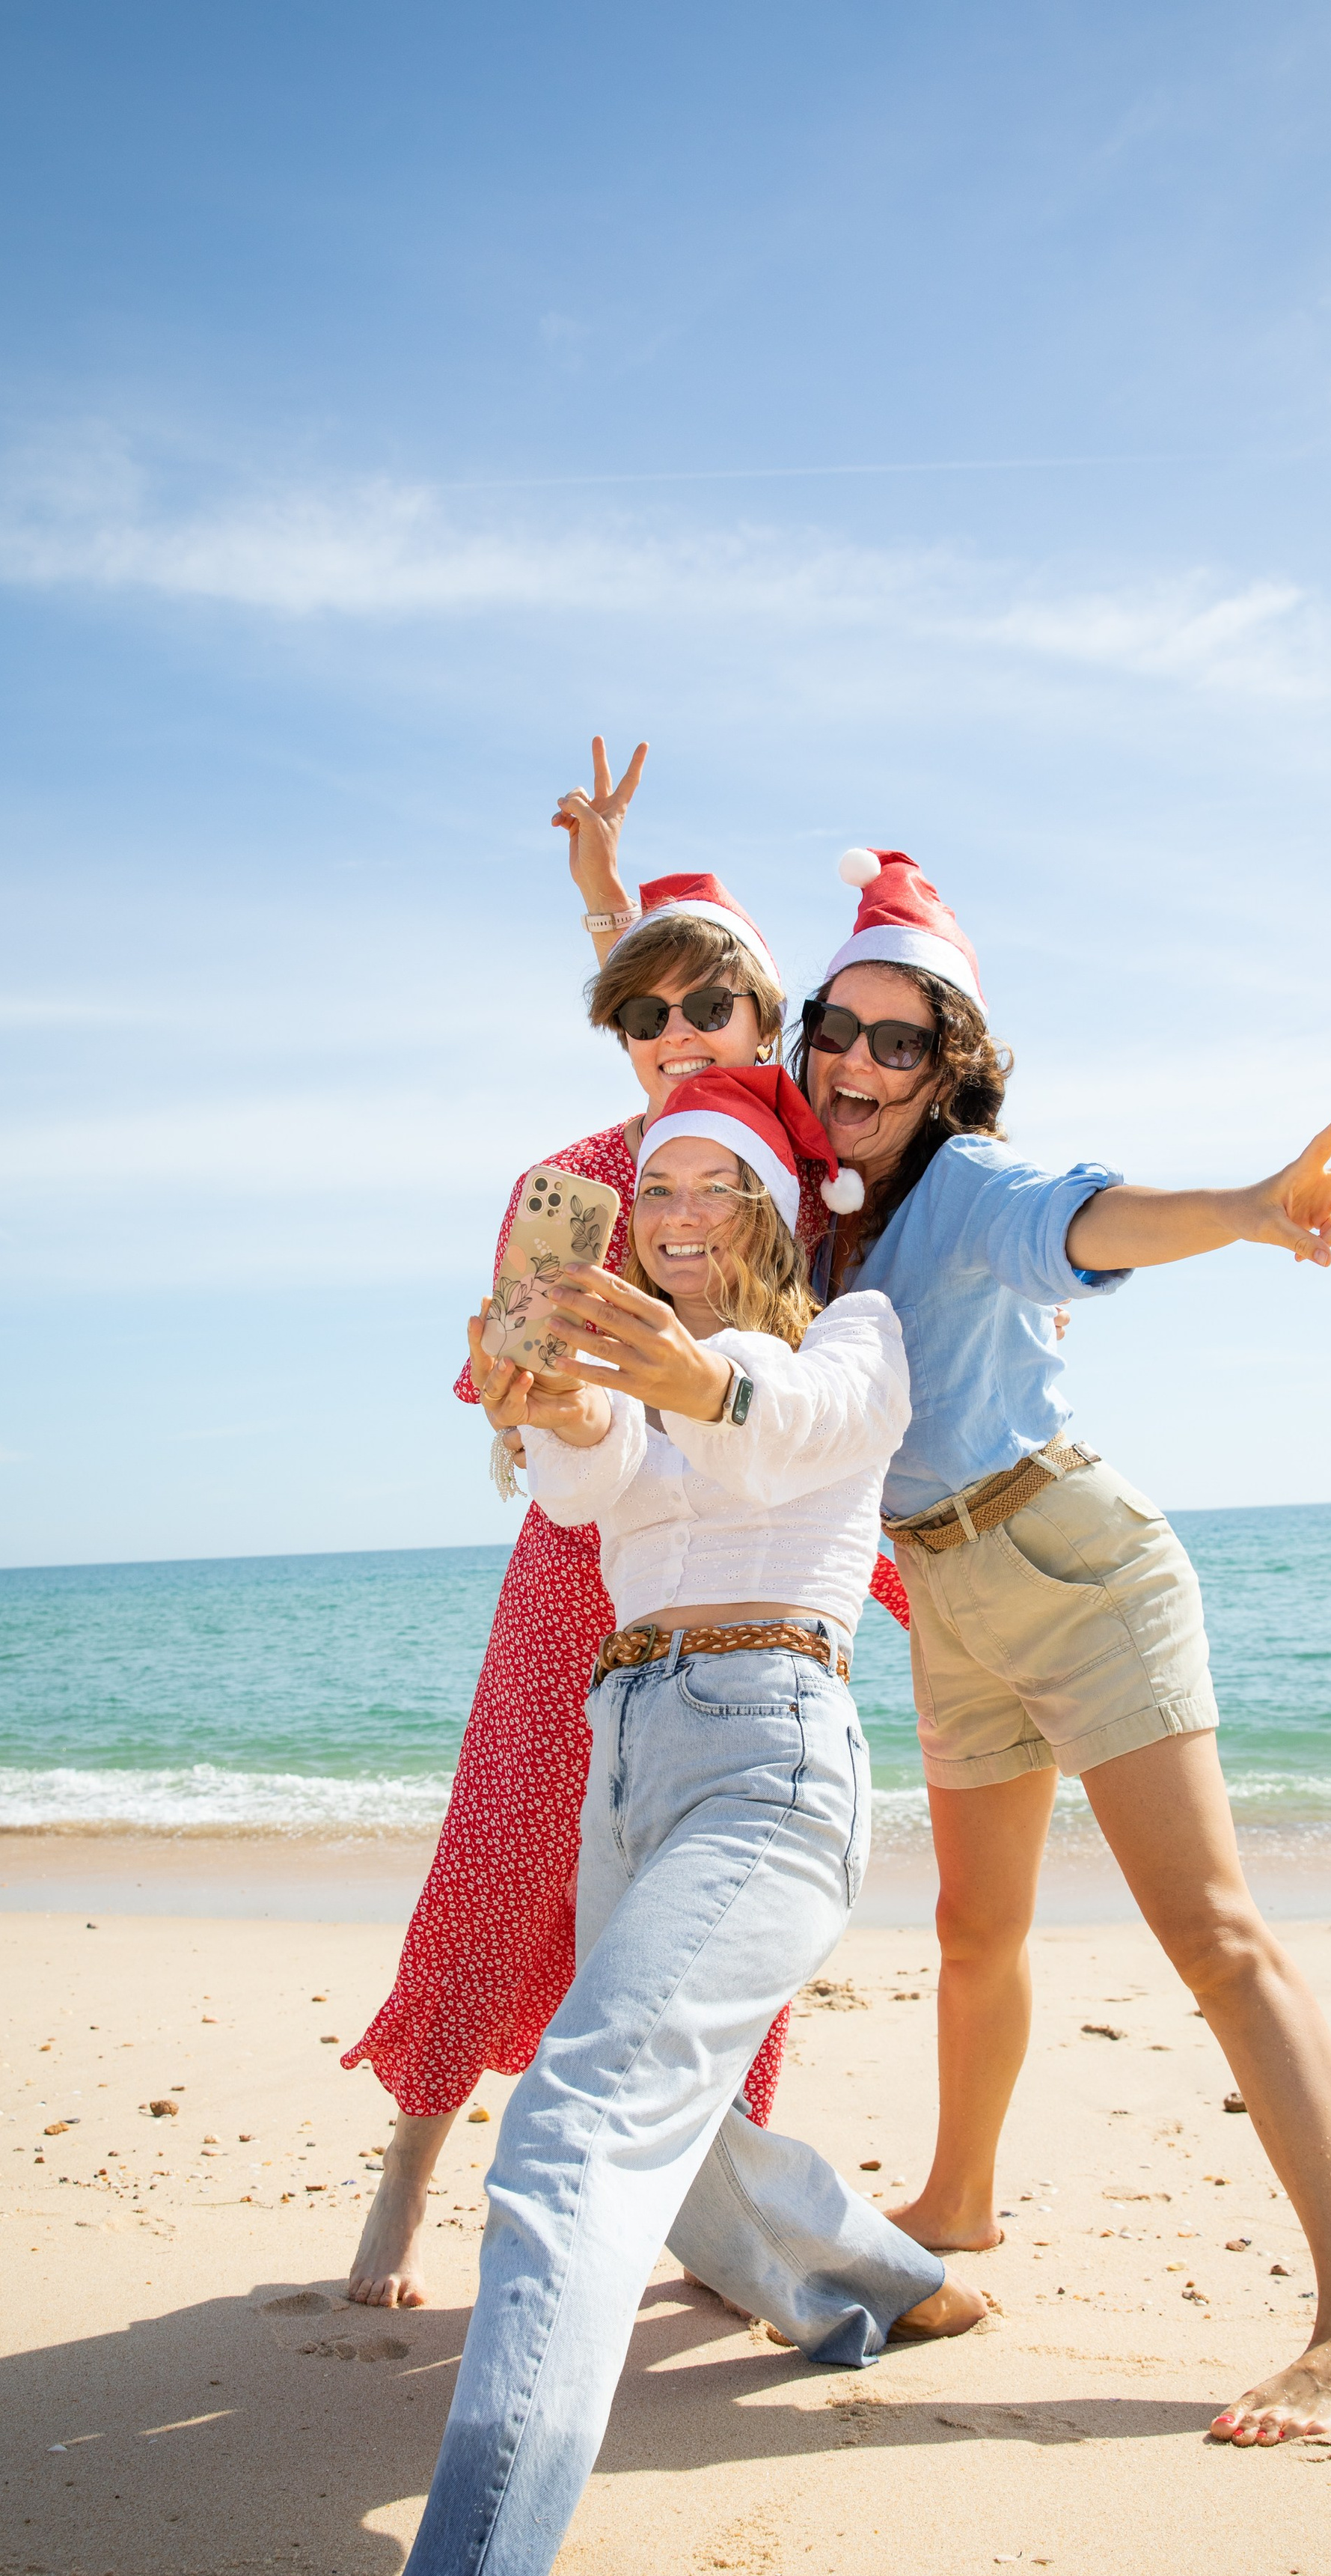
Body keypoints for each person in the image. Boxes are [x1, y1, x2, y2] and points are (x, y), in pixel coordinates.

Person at [310, 1069, 982, 2576]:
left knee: (581, 2116)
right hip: (624, 1746)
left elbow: (789, 1428)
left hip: (771, 1755)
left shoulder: (850, 1337)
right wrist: (542, 1395)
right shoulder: (634, 1368)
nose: (676, 1214)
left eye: (713, 1186)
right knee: (674, 2144)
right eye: (654, 1187)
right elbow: (583, 1485)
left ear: (773, 1206)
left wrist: (683, 1371)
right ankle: (890, 2280)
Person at [798, 846, 1331, 2448]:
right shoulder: (832, 1213)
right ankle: (954, 2206)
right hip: (945, 1597)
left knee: (1211, 1935)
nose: (855, 1061)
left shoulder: (970, 1188)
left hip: (1071, 1563)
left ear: (948, 1072)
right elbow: (688, 1040)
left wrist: (1244, 1207)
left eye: (897, 1040)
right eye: (837, 1027)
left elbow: (1090, 1220)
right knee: (967, 1932)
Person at [341, 745, 908, 2307]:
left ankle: (712, 2219)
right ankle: (402, 2191)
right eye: (641, 1017)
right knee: (500, 1851)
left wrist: (613, 902)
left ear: (767, 1026)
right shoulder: (578, 1185)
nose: (672, 1037)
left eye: (706, 1012)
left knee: (721, 1899)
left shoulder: (817, 1176)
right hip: (578, 1560)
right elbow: (526, 1409)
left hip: (766, 1564)